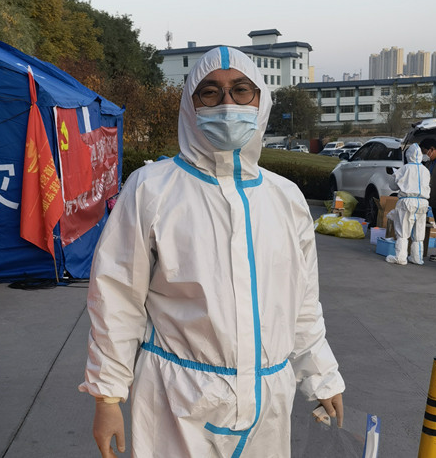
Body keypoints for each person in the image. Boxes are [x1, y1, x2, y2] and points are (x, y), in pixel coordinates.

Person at [80, 47, 345, 458]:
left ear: (261, 100)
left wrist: (321, 375)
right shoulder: (152, 189)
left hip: (268, 401)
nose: (227, 104)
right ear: (191, 106)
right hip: (177, 400)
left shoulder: (286, 198)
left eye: (241, 90)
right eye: (210, 92)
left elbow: (302, 301)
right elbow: (117, 296)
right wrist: (108, 395)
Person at [385, 143, 431, 265]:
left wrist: (394, 175)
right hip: (423, 202)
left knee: (402, 231)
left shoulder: (404, 169)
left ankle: (400, 257)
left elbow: (393, 186)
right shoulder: (425, 170)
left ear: (408, 155)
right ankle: (417, 257)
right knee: (419, 232)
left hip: (407, 201)